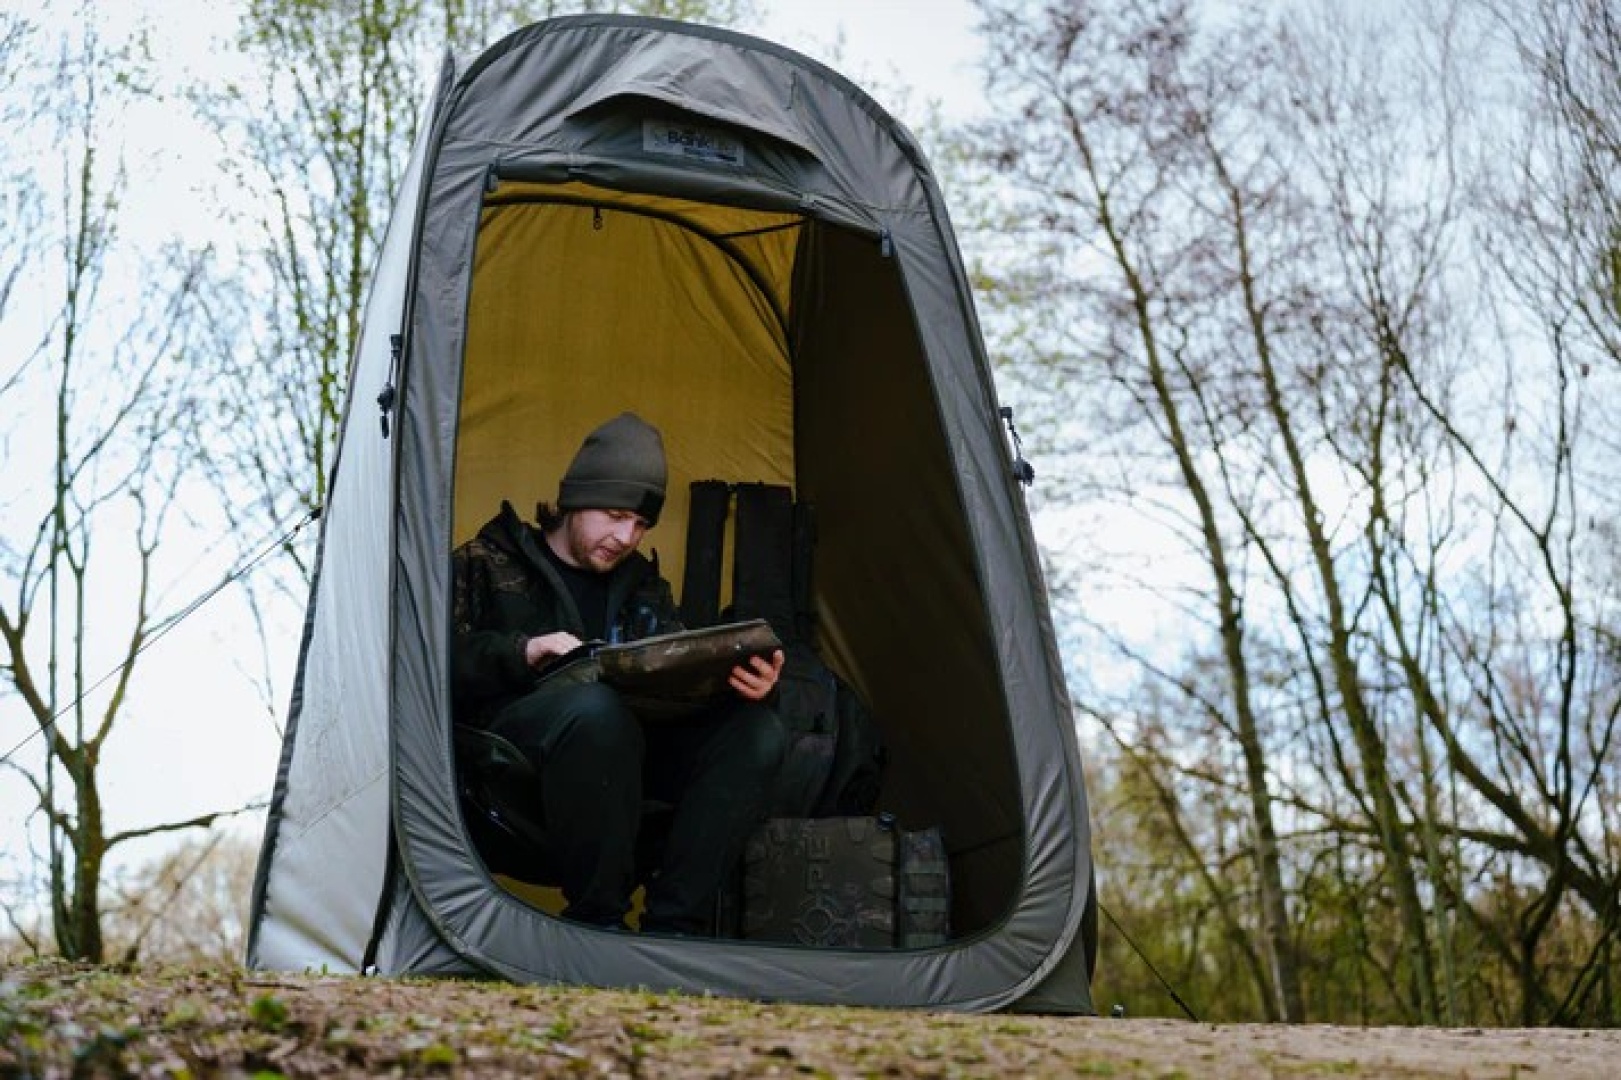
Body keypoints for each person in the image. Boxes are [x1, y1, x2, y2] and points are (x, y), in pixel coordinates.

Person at [450, 412, 787, 935]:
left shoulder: (645, 587)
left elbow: (678, 684)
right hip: (506, 767)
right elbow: (425, 665)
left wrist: (748, 688)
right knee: (595, 711)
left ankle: (676, 927)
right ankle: (597, 923)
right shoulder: (486, 561)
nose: (626, 536)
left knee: (757, 733)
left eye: (641, 525)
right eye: (613, 515)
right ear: (574, 500)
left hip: (626, 756)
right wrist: (523, 651)